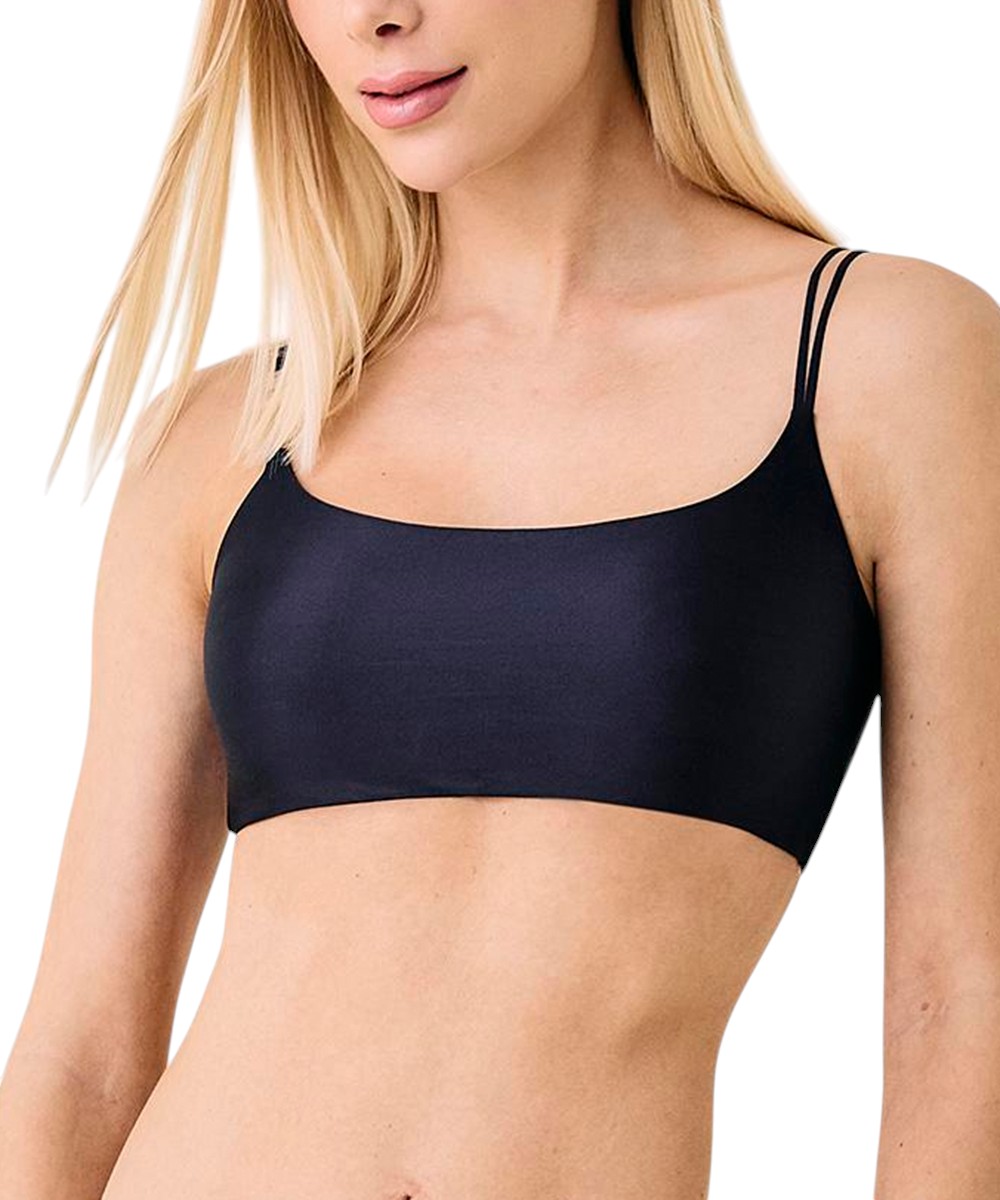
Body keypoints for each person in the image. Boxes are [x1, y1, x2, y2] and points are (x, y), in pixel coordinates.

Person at [2, 1, 998, 1196]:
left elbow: (959, 1004)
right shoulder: (230, 433)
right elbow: (82, 1056)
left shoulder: (887, 362)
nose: (374, 16)